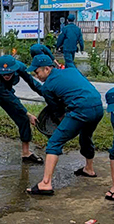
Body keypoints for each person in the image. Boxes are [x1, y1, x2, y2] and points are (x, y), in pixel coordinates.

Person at [25, 54, 104, 196]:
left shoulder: (47, 87)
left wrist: (63, 121)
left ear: (47, 69)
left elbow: (56, 110)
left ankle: (45, 183)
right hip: (98, 107)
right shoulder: (71, 70)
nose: (36, 76)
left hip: (80, 110)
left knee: (54, 142)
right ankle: (89, 169)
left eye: (37, 72)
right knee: (86, 136)